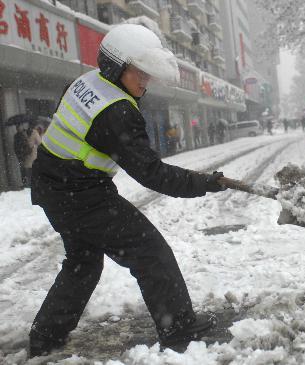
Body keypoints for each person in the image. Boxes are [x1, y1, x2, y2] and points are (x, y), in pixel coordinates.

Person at [29, 24, 225, 358]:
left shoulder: (84, 81)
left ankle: (46, 336)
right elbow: (153, 174)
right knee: (150, 252)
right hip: (80, 194)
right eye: (140, 72)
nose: (146, 81)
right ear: (116, 66)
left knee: (83, 263)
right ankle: (179, 330)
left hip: (55, 186)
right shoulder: (117, 112)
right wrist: (203, 183)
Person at [13, 123, 32, 188]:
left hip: (26, 153)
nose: (18, 128)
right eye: (17, 127)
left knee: (27, 168)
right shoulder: (16, 136)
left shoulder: (25, 133)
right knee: (23, 169)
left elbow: (27, 143)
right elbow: (15, 146)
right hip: (21, 154)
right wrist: (18, 153)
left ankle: (28, 182)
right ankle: (25, 182)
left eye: (19, 127)